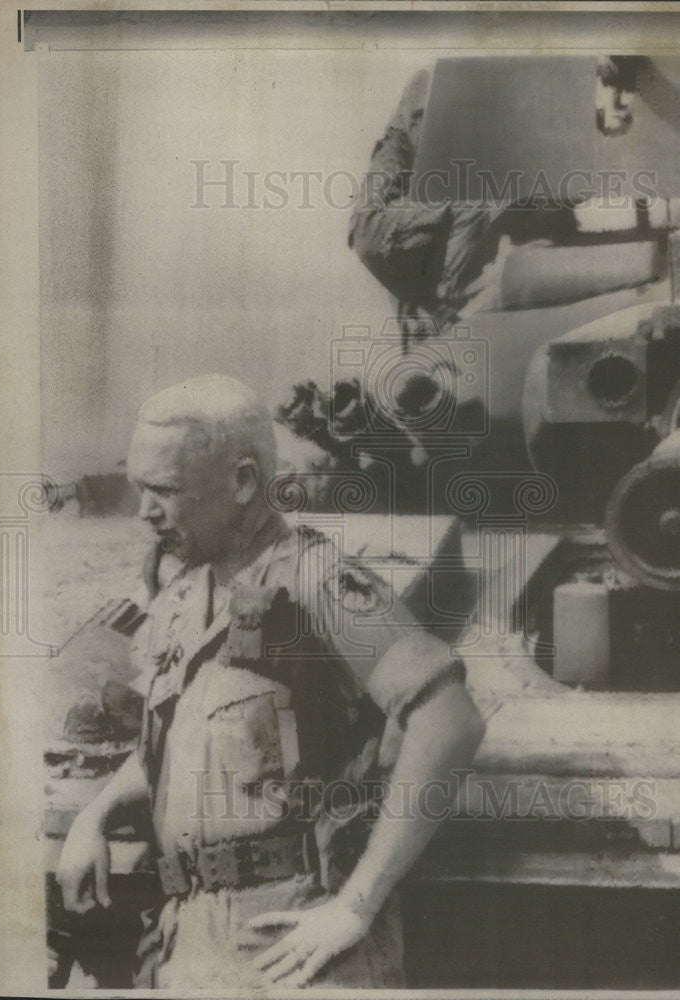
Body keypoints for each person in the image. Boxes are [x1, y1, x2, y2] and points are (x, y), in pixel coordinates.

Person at [56, 374, 485, 988]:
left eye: (165, 490)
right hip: (190, 943)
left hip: (295, 946)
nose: (145, 512)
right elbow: (171, 750)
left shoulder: (316, 581)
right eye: (139, 487)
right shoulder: (184, 598)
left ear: (243, 482)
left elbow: (450, 721)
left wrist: (356, 905)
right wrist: (92, 816)